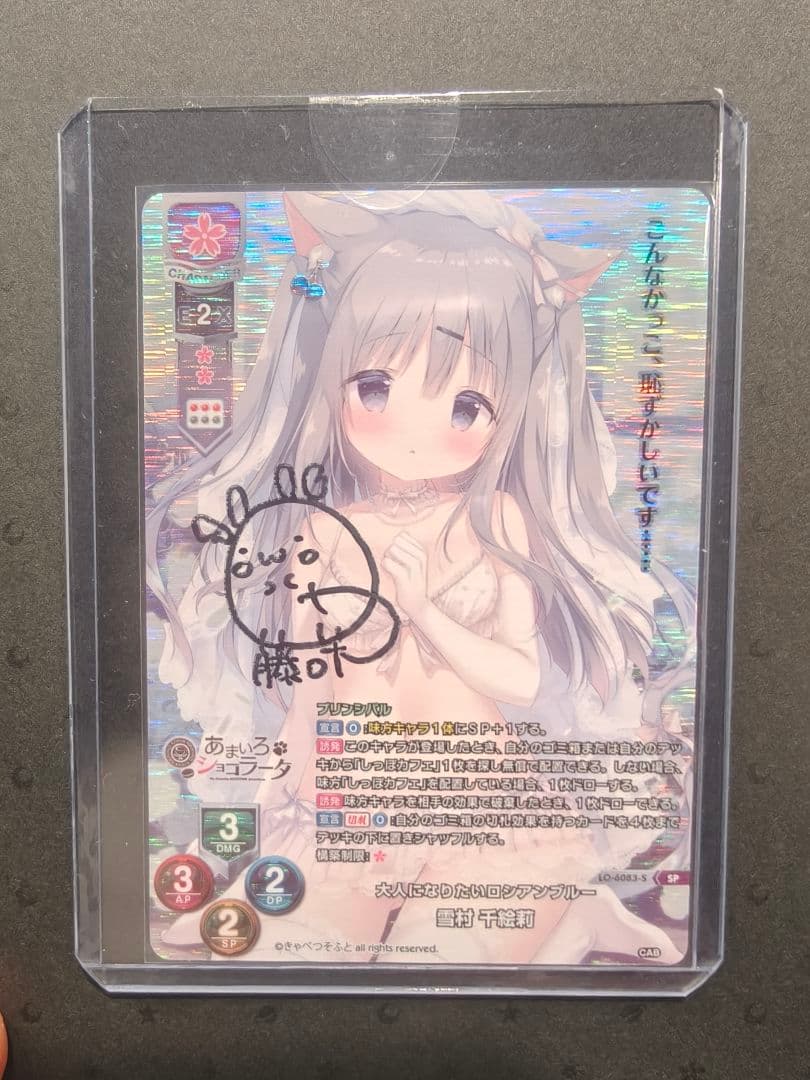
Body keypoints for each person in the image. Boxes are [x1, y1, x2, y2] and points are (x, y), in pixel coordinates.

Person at [149, 190, 693, 963]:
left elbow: (522, 677)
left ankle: (573, 909)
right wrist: (267, 823)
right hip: (349, 816)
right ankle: (569, 912)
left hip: (486, 813)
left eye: (468, 405)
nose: (412, 434)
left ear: (511, 409)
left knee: (440, 962)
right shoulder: (320, 529)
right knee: (292, 956)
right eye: (374, 388)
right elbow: (309, 692)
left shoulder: (497, 521)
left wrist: (424, 612)